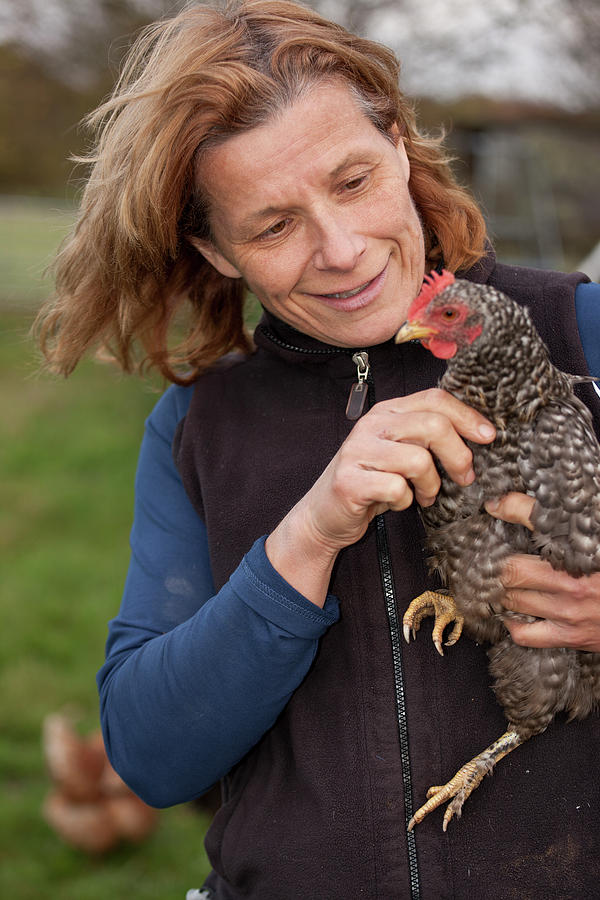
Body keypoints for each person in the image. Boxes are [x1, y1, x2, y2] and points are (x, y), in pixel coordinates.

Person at [37, 1, 600, 897]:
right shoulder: (197, 431)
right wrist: (308, 534)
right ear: (215, 252)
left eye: (352, 181)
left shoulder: (581, 335)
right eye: (271, 226)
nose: (341, 251)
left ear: (402, 147)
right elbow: (150, 757)